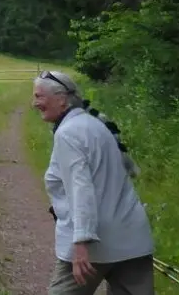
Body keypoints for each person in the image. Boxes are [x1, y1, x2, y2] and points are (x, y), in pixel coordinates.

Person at [33, 70, 155, 294]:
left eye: (39, 96)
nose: (35, 103)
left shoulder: (68, 133)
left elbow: (82, 189)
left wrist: (80, 242)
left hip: (95, 245)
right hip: (133, 239)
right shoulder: (94, 125)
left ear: (61, 99)